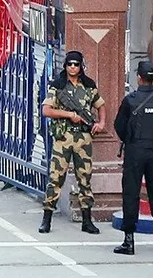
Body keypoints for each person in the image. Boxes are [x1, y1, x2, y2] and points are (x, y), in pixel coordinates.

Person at [112, 59, 153, 256]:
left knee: (131, 194)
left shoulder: (130, 100)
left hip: (134, 152)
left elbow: (119, 126)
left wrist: (130, 139)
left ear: (139, 78)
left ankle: (129, 241)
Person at [38, 51, 105, 235]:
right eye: (69, 64)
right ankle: (47, 218)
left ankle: (87, 219)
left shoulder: (89, 86)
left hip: (83, 139)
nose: (73, 67)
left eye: (76, 64)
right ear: (65, 66)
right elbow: (46, 110)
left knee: (85, 179)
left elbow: (100, 105)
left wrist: (101, 123)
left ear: (81, 66)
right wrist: (69, 115)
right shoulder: (58, 86)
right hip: (64, 138)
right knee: (55, 178)